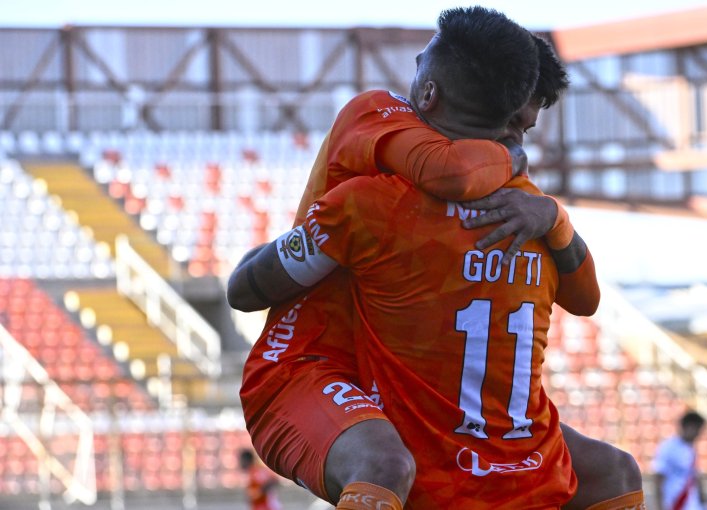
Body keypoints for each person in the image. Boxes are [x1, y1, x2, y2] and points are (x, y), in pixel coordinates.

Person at [231, 27, 644, 510]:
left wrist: (551, 214)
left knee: (611, 472)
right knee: (384, 464)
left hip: (433, 411)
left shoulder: (512, 207)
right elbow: (452, 172)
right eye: (517, 127)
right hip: (308, 366)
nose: (518, 141)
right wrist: (538, 196)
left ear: (430, 93)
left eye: (524, 132)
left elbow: (243, 289)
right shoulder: (505, 202)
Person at [268, 169, 595, 507]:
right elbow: (244, 290)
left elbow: (588, 300)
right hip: (311, 375)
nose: (512, 151)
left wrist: (556, 219)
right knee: (384, 466)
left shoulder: (528, 207)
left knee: (615, 471)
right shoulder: (379, 195)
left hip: (477, 433)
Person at [654, 410, 707, 510]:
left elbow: (695, 478)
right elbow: (658, 478)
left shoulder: (692, 449)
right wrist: (660, 506)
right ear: (688, 426)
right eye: (697, 430)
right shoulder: (668, 447)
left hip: (693, 505)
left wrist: (703, 502)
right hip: (675, 504)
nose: (698, 434)